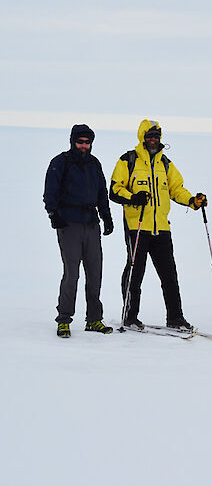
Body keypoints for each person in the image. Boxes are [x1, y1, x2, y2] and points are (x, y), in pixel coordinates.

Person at [109, 119, 207, 331]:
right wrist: (133, 197)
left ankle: (175, 318)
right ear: (142, 137)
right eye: (149, 136)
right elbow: (115, 190)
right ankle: (130, 317)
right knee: (135, 274)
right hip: (137, 227)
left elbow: (176, 189)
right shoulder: (128, 160)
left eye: (156, 136)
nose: (153, 140)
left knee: (169, 275)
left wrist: (192, 201)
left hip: (161, 228)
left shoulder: (166, 164)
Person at [43, 124, 114, 338]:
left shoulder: (94, 164)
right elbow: (50, 191)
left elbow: (102, 192)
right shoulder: (60, 162)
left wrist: (106, 217)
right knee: (71, 274)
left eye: (87, 142)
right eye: (80, 142)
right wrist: (53, 214)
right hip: (68, 224)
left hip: (91, 224)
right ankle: (64, 319)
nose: (84, 146)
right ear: (72, 141)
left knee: (95, 273)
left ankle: (94, 319)